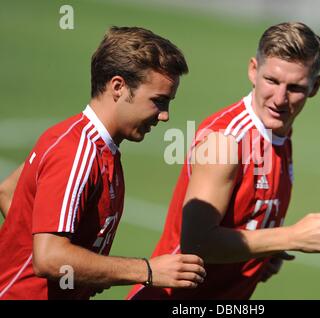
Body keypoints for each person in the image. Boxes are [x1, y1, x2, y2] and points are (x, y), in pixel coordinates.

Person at [127, 22, 320, 300]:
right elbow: (198, 242)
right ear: (253, 70)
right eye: (271, 81)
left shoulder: (279, 136)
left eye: (295, 87)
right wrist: (291, 237)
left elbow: (240, 226)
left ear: (315, 86)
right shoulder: (225, 141)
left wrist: (262, 257)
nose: (279, 98)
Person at [0, 26, 206, 300]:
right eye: (158, 102)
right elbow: (49, 258)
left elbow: (9, 191)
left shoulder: (85, 142)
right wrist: (145, 270)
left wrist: (83, 272)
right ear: (118, 87)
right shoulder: (77, 153)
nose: (165, 116)